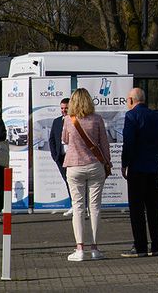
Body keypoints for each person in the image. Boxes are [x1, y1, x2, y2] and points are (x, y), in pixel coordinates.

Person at [61, 88, 111, 262]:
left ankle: (79, 248)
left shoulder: (68, 119)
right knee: (95, 206)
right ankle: (95, 248)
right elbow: (104, 144)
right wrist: (107, 163)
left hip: (74, 166)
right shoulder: (97, 119)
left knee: (78, 206)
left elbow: (65, 140)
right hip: (95, 165)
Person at [121, 88, 158, 257]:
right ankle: (157, 245)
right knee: (153, 208)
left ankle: (140, 245)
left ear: (132, 100)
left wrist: (125, 163)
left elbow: (129, 141)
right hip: (153, 167)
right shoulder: (156, 117)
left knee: (137, 209)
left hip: (137, 168)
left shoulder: (131, 116)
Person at [49, 98, 73, 216]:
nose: (64, 110)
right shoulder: (57, 121)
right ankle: (74, 205)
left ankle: (85, 206)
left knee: (77, 182)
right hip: (61, 157)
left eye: (66, 108)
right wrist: (55, 156)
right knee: (68, 181)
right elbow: (52, 139)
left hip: (74, 157)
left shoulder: (76, 120)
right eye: (62, 108)